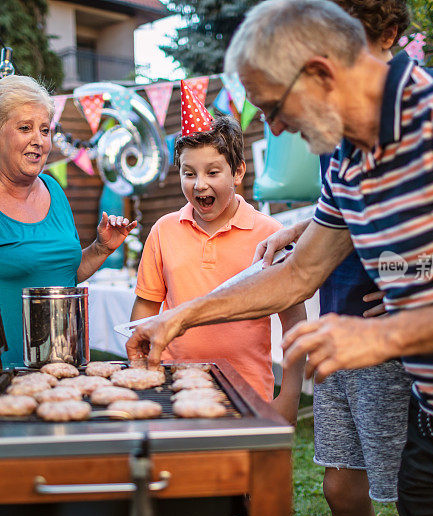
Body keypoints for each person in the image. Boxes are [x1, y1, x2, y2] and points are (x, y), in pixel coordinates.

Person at [126, 0, 433, 516]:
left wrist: (388, 336)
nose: (275, 129)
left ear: (321, 72)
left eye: (274, 107)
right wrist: (178, 317)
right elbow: (297, 274)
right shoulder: (346, 156)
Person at [253, 1, 413, 516]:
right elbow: (343, 207)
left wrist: (417, 283)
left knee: (417, 489)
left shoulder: (423, 117)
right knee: (342, 487)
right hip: (337, 316)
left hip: (394, 337)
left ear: (389, 35)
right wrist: (306, 227)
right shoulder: (330, 128)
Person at [130, 83, 307, 422]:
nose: (199, 185)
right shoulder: (163, 231)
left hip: (249, 392)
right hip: (174, 386)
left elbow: (293, 320)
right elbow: (145, 311)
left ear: (238, 171)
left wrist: (290, 392)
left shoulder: (270, 234)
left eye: (213, 172)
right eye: (188, 173)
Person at [0, 75, 136, 368]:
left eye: (45, 129)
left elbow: (63, 274)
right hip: (0, 375)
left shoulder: (54, 190)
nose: (39, 140)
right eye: (25, 128)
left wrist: (100, 249)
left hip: (65, 368)